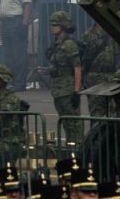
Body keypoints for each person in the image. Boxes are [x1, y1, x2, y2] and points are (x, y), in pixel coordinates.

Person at [46, 11, 83, 142]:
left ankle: (78, 151)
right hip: (58, 89)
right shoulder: (56, 44)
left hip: (67, 89)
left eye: (55, 24)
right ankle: (70, 149)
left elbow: (77, 67)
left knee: (74, 124)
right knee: (66, 123)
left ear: (63, 26)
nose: (52, 27)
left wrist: (76, 91)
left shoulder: (69, 44)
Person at [0, 0, 33, 91]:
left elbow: (27, 5)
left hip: (17, 21)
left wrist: (24, 23)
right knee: (9, 55)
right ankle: (11, 82)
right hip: (5, 23)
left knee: (19, 55)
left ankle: (19, 83)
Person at [81, 21, 116, 116]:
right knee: (96, 110)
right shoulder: (88, 34)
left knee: (113, 110)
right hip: (94, 75)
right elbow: (84, 56)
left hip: (111, 75)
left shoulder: (112, 33)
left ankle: (110, 131)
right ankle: (97, 130)